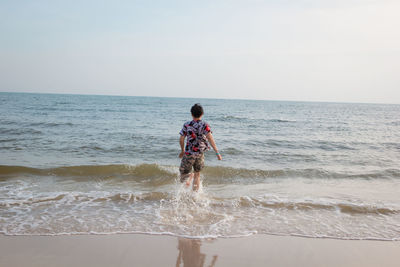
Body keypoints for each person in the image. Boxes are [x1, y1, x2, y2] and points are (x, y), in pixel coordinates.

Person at [179, 104, 222, 191]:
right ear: (202, 114)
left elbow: (181, 138)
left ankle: (189, 176)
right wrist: (217, 153)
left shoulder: (187, 125)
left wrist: (182, 150)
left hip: (189, 154)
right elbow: (210, 138)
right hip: (200, 154)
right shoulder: (205, 125)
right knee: (197, 174)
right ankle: (195, 196)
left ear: (191, 114)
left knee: (183, 174)